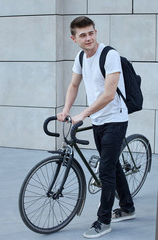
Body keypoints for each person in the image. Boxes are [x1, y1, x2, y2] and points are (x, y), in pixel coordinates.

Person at [57, 16, 135, 239]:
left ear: (96, 32)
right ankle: (127, 207)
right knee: (112, 165)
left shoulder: (109, 55)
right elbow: (74, 84)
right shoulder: (80, 57)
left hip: (115, 119)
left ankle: (104, 220)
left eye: (91, 33)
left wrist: (82, 114)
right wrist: (65, 109)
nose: (88, 38)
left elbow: (109, 95)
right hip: (98, 121)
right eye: (83, 35)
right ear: (74, 39)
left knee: (106, 171)